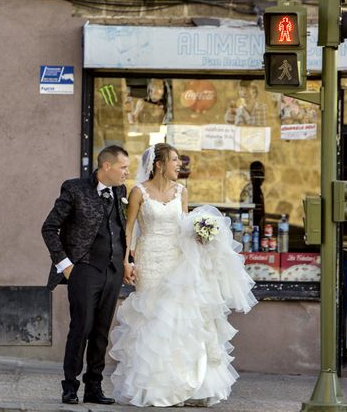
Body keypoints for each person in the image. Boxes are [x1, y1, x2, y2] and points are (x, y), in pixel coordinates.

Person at [109, 143, 257, 407]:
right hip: (150, 260)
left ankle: (185, 385)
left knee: (180, 319)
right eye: (175, 160)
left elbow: (184, 225)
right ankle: (154, 387)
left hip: (178, 260)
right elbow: (128, 229)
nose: (179, 165)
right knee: (154, 319)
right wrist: (125, 262)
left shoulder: (181, 192)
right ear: (159, 164)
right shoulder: (138, 192)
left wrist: (201, 234)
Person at [41, 145, 131, 406]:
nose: (127, 172)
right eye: (123, 167)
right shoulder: (74, 188)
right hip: (84, 270)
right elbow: (49, 228)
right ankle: (70, 387)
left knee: (101, 332)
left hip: (112, 271)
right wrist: (65, 264)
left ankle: (94, 387)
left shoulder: (120, 191)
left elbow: (119, 229)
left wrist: (127, 262)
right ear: (106, 167)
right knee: (81, 328)